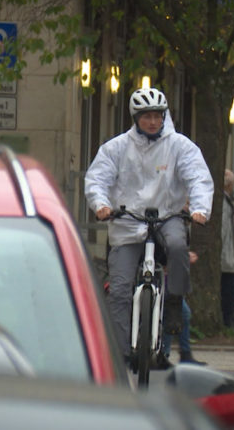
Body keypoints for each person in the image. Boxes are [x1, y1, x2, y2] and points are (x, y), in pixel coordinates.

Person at [84, 87, 214, 363]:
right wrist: (101, 206)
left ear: (164, 116)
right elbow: (97, 179)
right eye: (146, 117)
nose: (152, 122)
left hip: (167, 217)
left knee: (178, 246)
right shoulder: (116, 148)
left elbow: (198, 178)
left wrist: (200, 209)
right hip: (128, 225)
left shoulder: (180, 146)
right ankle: (120, 354)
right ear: (135, 118)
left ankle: (175, 303)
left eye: (157, 116)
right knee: (118, 290)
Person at [156, 251, 206, 369]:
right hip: (165, 281)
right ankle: (170, 354)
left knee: (178, 314)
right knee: (175, 314)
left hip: (167, 280)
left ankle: (171, 354)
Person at [220, 169, 234, 327]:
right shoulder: (224, 203)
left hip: (226, 259)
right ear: (229, 185)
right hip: (225, 261)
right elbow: (225, 232)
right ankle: (226, 324)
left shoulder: (225, 201)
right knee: (228, 294)